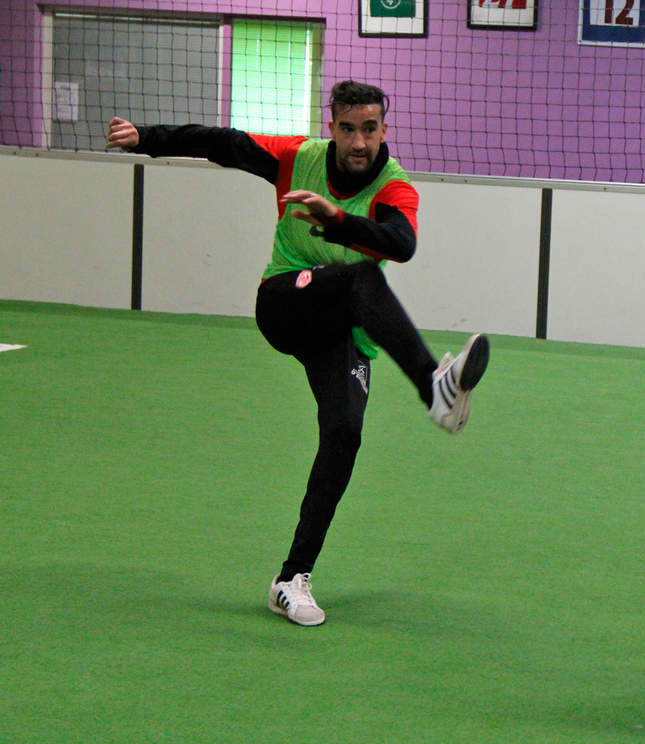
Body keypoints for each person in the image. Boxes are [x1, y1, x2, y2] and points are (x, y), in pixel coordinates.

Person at [106, 80, 489, 628]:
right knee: (360, 278)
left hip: (340, 330)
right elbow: (225, 143)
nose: (359, 142)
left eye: (370, 129)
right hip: (285, 302)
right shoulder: (298, 158)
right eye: (348, 129)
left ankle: (291, 579)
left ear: (384, 129)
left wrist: (337, 220)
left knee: (345, 433)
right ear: (331, 128)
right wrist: (148, 138)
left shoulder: (395, 187)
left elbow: (401, 244)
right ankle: (435, 387)